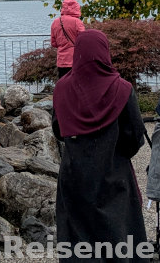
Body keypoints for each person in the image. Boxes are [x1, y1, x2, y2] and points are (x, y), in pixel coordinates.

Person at [52, 30, 148, 262]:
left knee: (77, 234)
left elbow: (58, 129)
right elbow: (135, 135)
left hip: (74, 172)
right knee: (117, 231)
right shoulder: (122, 89)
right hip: (113, 171)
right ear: (105, 53)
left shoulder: (62, 89)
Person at [50, 0, 85, 80]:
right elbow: (83, 40)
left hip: (61, 60)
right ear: (76, 8)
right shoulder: (77, 22)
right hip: (76, 59)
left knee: (63, 83)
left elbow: (53, 43)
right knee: (77, 84)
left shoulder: (55, 22)